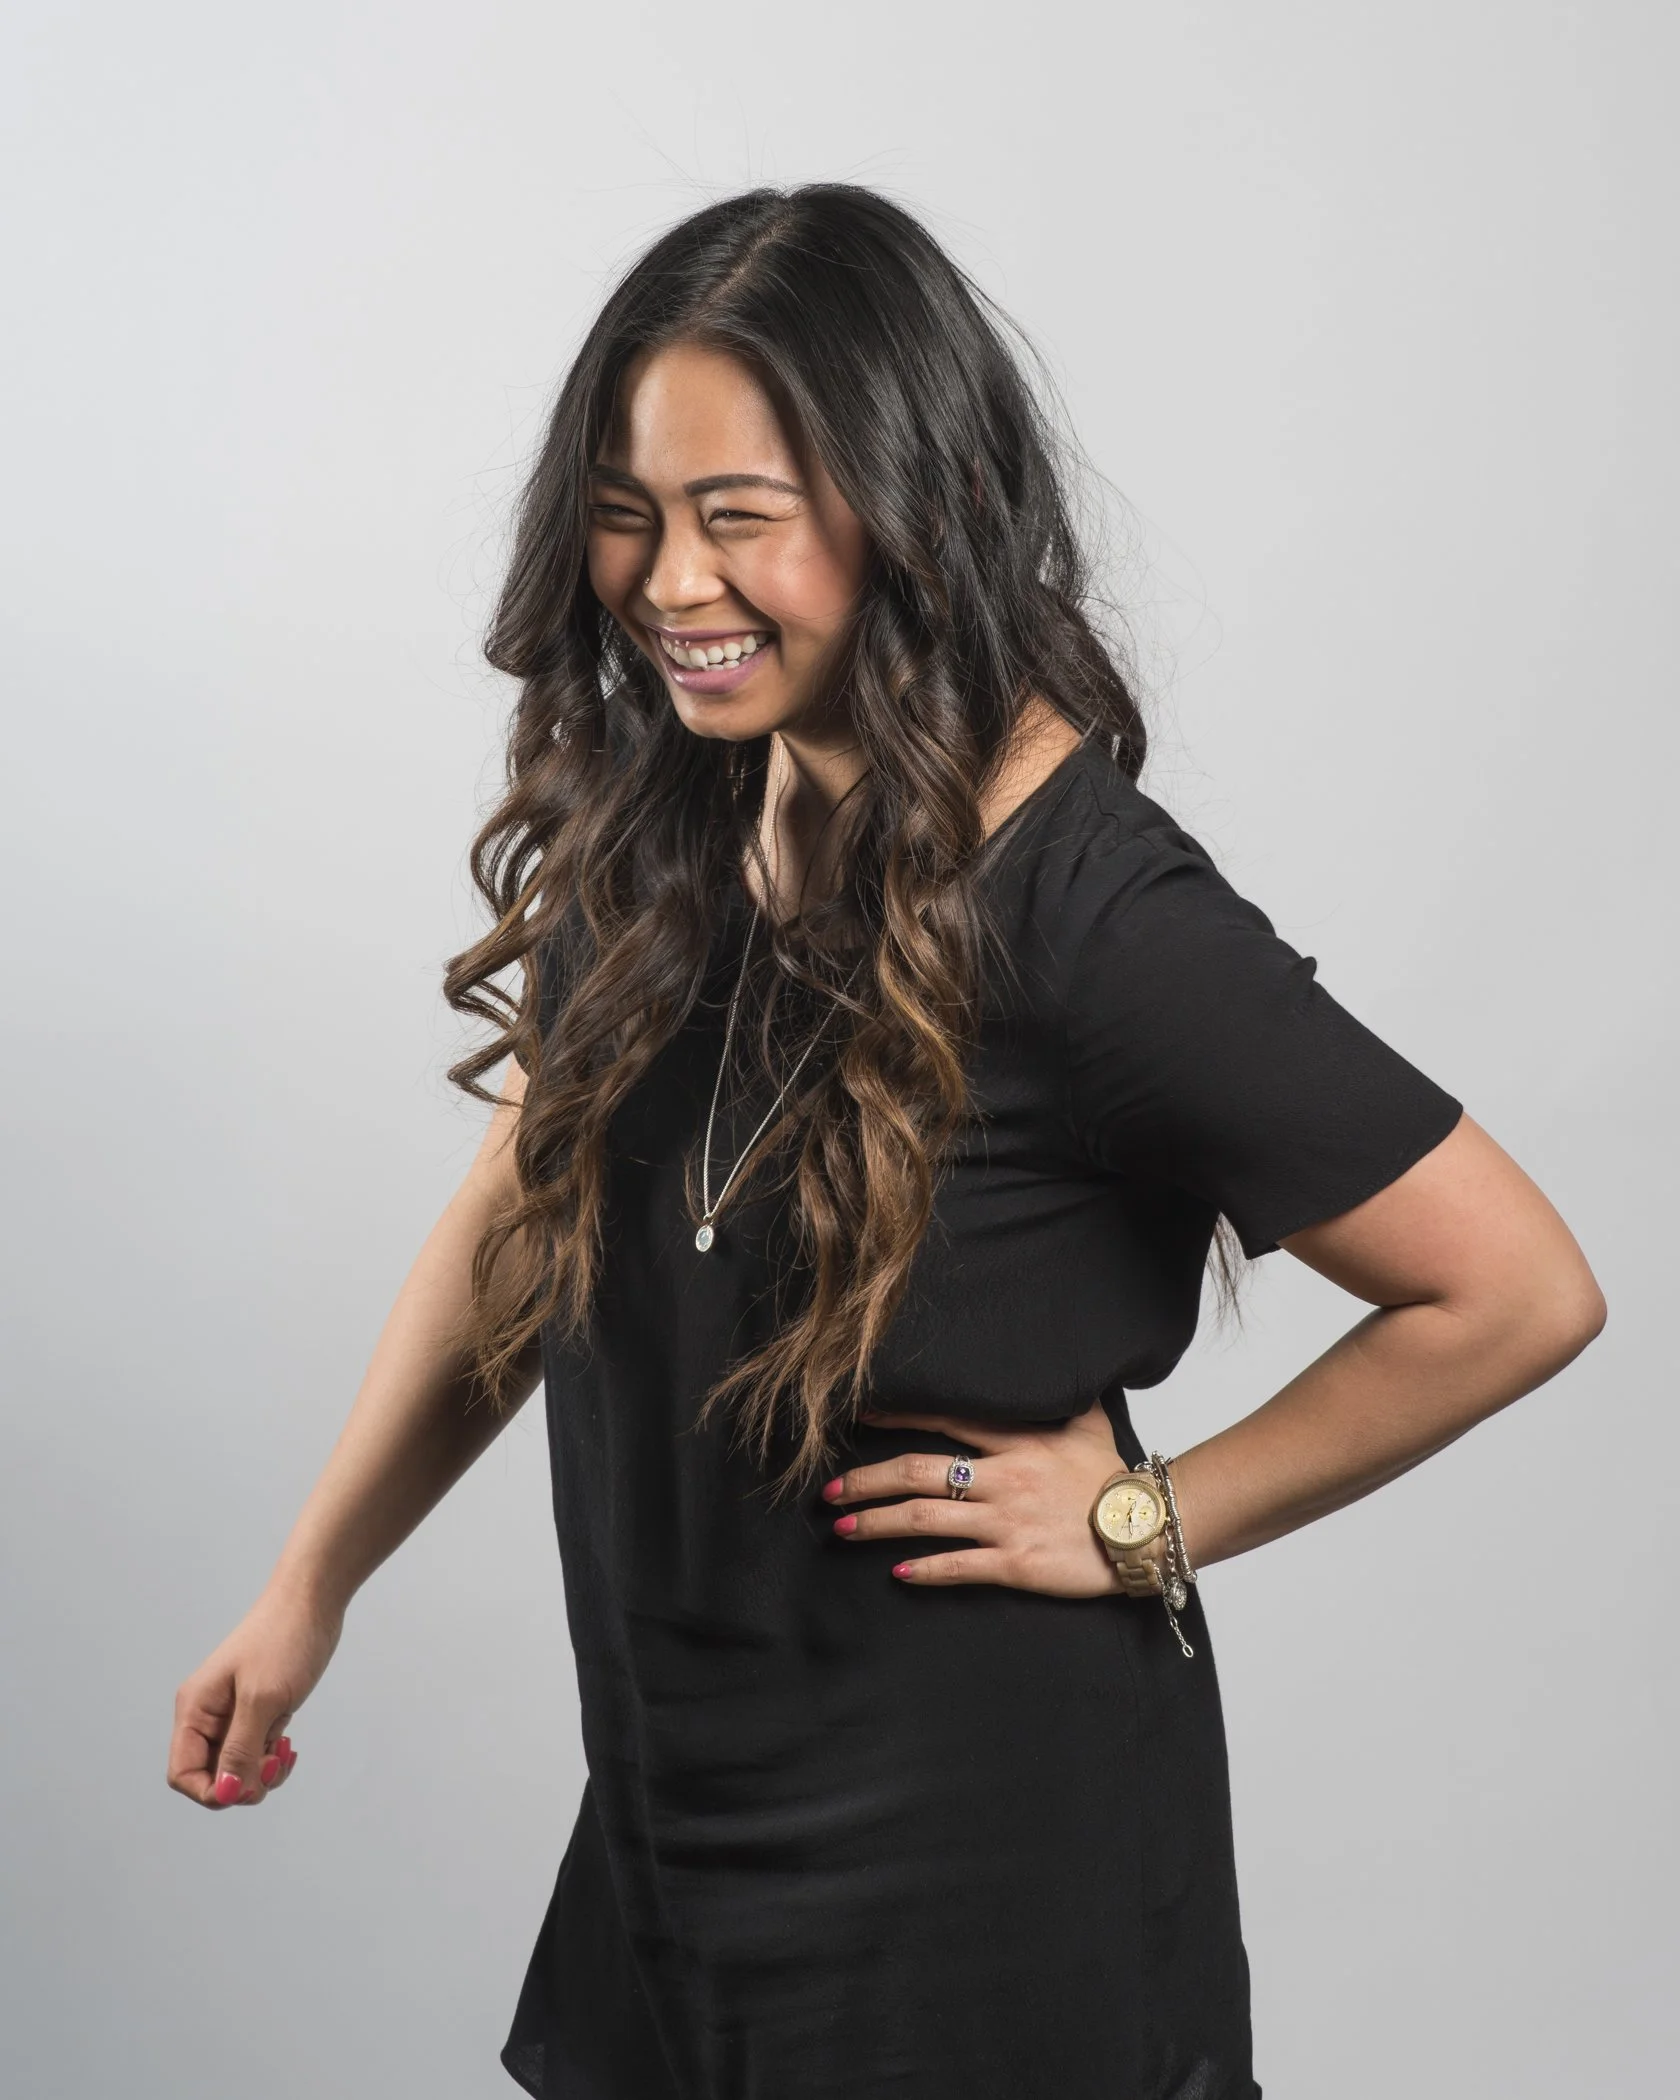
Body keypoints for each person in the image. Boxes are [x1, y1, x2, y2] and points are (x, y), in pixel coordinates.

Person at [167, 185, 1606, 2099]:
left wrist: (1147, 1522)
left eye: (737, 518)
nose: (671, 583)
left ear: (907, 504)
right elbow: (522, 1220)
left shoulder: (1096, 911)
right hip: (681, 1831)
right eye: (628, 509)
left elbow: (1516, 1285)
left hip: (991, 1882)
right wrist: (311, 1581)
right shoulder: (662, 834)